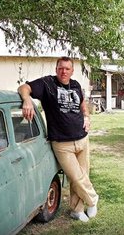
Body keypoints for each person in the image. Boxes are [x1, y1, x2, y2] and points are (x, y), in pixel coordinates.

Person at [18, 56, 98, 223]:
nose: (64, 71)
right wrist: (27, 100)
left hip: (82, 139)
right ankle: (93, 200)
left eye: (67, 69)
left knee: (83, 175)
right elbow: (24, 87)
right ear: (56, 69)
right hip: (62, 144)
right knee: (77, 177)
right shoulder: (47, 84)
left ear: (72, 71)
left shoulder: (75, 85)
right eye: (61, 68)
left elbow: (83, 104)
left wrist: (86, 116)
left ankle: (76, 210)